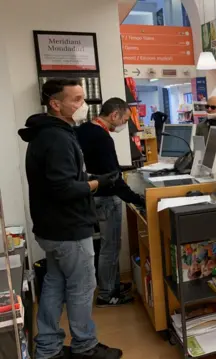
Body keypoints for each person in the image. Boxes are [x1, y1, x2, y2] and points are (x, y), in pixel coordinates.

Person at [18, 78, 123, 359]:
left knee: (54, 283)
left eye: (83, 98)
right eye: (76, 100)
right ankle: (85, 346)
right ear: (55, 103)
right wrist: (97, 184)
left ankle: (48, 347)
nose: (83, 106)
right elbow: (64, 188)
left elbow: (61, 178)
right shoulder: (57, 137)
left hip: (51, 227)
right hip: (69, 228)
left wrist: (87, 178)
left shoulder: (46, 133)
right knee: (81, 286)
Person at [76, 98, 146, 307]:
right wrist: (137, 200)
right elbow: (112, 178)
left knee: (108, 245)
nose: (124, 124)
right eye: (124, 119)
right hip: (106, 198)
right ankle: (107, 293)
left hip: (95, 195)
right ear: (114, 115)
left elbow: (104, 166)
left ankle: (112, 283)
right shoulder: (102, 137)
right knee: (110, 246)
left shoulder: (86, 129)